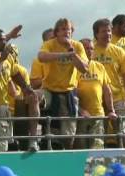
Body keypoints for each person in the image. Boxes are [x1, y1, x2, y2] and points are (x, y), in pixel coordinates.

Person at [38, 18, 88, 149]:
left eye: (69, 29)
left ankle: (66, 151)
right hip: (49, 90)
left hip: (68, 93)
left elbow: (84, 68)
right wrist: (61, 54)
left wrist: (71, 52)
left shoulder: (77, 46)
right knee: (33, 98)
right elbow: (41, 57)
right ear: (56, 32)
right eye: (64, 29)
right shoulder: (49, 44)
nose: (67, 32)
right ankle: (32, 137)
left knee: (68, 136)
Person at [92, 18, 125, 148]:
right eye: (104, 31)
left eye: (109, 31)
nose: (108, 34)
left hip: (118, 97)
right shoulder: (90, 50)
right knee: (98, 134)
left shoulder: (119, 51)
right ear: (96, 34)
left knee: (123, 133)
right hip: (96, 99)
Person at [75, 38, 117, 149]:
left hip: (98, 114)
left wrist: (111, 110)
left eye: (91, 49)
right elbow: (70, 92)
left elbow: (107, 90)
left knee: (98, 147)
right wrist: (80, 110)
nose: (89, 51)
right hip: (80, 116)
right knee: (80, 148)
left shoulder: (100, 66)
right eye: (86, 48)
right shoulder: (73, 67)